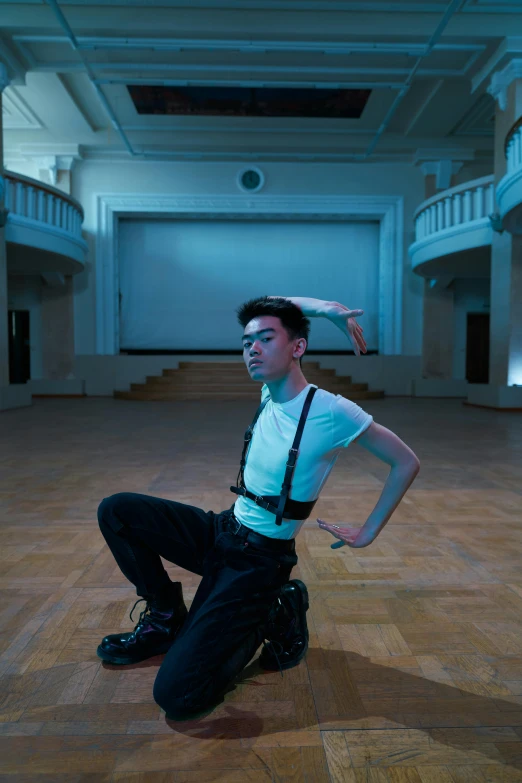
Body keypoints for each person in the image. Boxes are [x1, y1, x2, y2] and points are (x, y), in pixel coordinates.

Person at [96, 295, 420, 721]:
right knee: (117, 510)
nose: (253, 349)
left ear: (297, 347)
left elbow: (406, 462)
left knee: (178, 697)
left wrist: (368, 531)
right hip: (224, 531)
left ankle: (272, 611)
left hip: (259, 561)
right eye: (247, 342)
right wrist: (323, 310)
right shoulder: (268, 392)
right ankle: (163, 618)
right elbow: (275, 300)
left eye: (266, 339)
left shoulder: (332, 410)